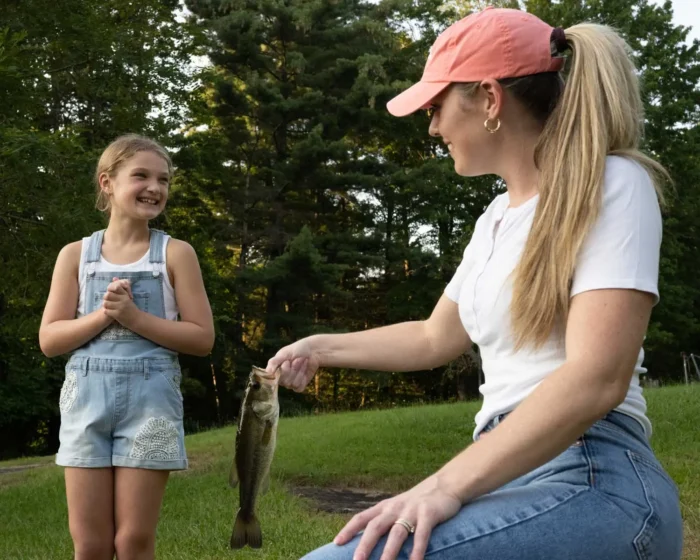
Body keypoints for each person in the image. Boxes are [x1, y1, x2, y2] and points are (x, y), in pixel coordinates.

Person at [266, 7, 683, 560]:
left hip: (593, 473)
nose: (432, 126)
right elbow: (434, 338)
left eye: (436, 106)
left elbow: (596, 378)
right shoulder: (495, 219)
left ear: (489, 99)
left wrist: (443, 485)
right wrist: (319, 348)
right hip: (505, 473)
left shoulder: (613, 182)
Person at [39, 134, 215, 560]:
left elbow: (202, 338)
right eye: (141, 175)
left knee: (133, 541)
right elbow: (49, 339)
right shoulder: (75, 256)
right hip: (86, 405)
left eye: (164, 180)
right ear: (107, 183)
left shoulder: (176, 254)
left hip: (150, 407)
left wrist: (135, 318)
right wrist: (104, 315)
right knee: (92, 544)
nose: (155, 187)